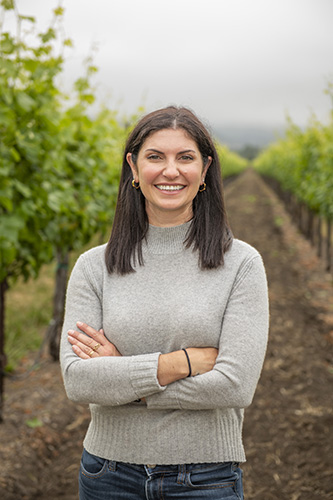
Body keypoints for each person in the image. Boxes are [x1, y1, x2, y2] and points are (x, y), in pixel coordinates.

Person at [60, 106, 269, 500]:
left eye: (185, 157)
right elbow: (78, 380)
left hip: (206, 478)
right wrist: (181, 363)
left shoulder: (241, 264)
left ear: (205, 169)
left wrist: (123, 380)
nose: (170, 171)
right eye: (155, 157)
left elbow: (235, 387)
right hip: (107, 475)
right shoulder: (93, 267)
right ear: (133, 169)